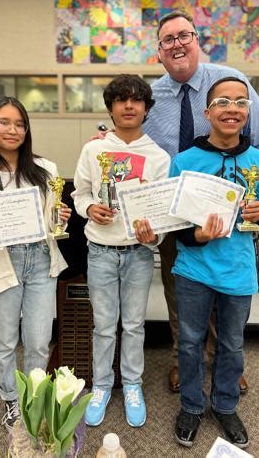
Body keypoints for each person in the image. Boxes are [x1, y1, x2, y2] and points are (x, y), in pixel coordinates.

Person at [143, 10, 259, 393]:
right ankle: (185, 362)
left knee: (225, 289)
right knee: (178, 288)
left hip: (228, 208)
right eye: (168, 39)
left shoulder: (231, 84)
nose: (178, 44)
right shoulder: (152, 95)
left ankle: (223, 361)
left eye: (185, 35)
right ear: (160, 52)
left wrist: (256, 199)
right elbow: (130, 135)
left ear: (198, 40)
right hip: (175, 211)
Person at [0, 96, 71, 430]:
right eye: (3, 122)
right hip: (1, 261)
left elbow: (52, 223)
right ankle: (10, 398)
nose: (13, 130)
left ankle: (33, 398)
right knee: (5, 340)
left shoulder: (45, 169)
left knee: (37, 340)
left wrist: (59, 216)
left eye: (20, 124)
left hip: (40, 260)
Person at [170, 76, 259, 448]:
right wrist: (199, 235)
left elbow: (256, 215)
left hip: (238, 271)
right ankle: (192, 406)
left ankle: (225, 405)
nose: (233, 109)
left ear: (248, 112)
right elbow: (176, 225)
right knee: (190, 343)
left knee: (232, 344)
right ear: (207, 112)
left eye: (241, 102)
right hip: (194, 269)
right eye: (224, 102)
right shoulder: (184, 161)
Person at [72, 74, 170, 428]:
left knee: (133, 325)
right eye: (121, 100)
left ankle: (132, 385)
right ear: (111, 107)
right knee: (103, 326)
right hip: (100, 250)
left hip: (138, 254)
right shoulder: (93, 149)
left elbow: (162, 212)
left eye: (137, 100)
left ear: (146, 108)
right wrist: (88, 209)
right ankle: (101, 385)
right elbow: (80, 193)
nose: (129, 106)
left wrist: (151, 236)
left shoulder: (158, 157)